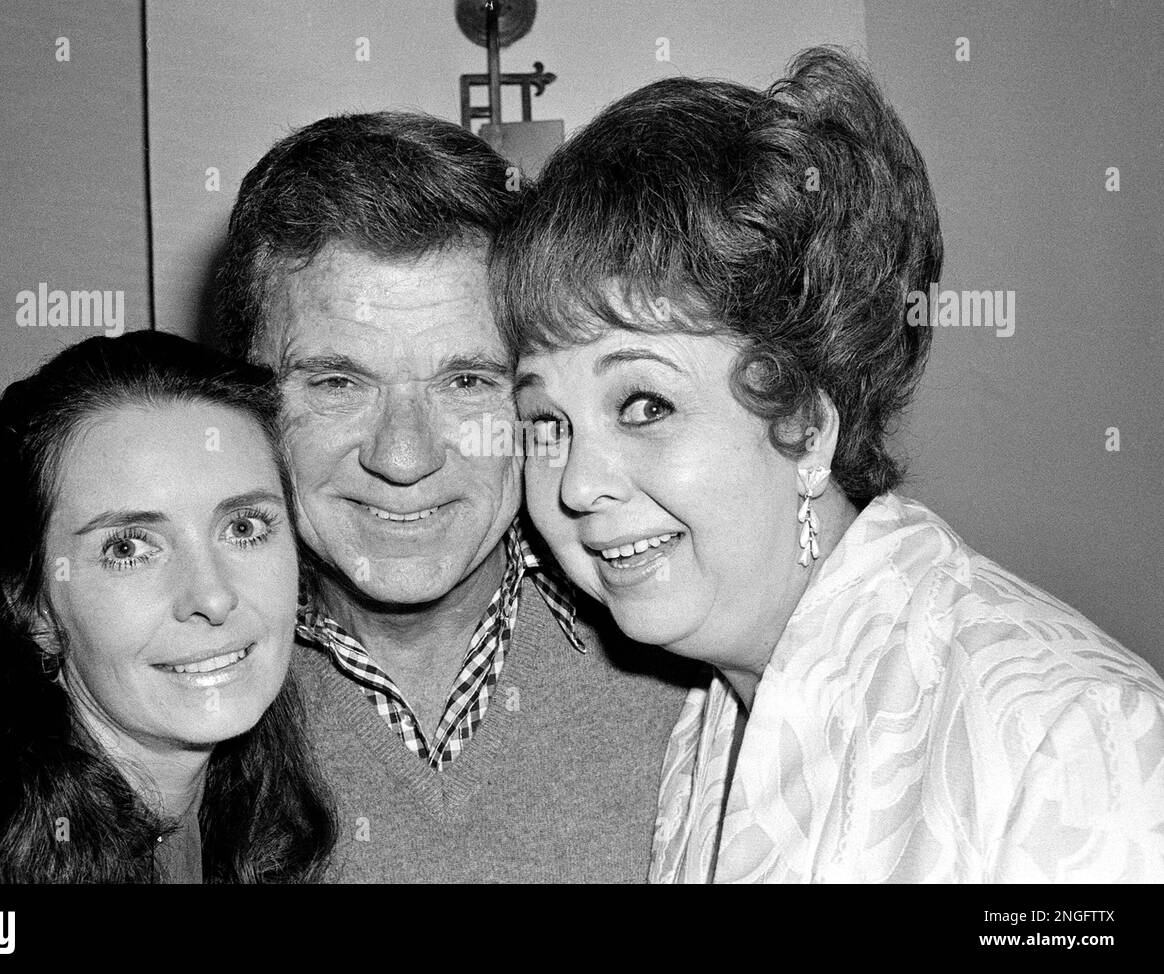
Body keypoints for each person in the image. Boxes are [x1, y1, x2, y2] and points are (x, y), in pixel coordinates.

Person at [490, 47, 1164, 882]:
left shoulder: (1073, 737)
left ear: (806, 424)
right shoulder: (709, 726)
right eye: (545, 423)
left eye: (646, 406)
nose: (578, 483)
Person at [216, 112, 698, 882]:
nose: (403, 459)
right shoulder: (182, 689)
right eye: (338, 382)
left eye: (467, 381)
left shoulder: (691, 652)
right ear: (246, 402)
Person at [0, 331, 335, 883]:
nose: (212, 597)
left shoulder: (246, 815)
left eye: (243, 527)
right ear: (32, 605)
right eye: (128, 548)